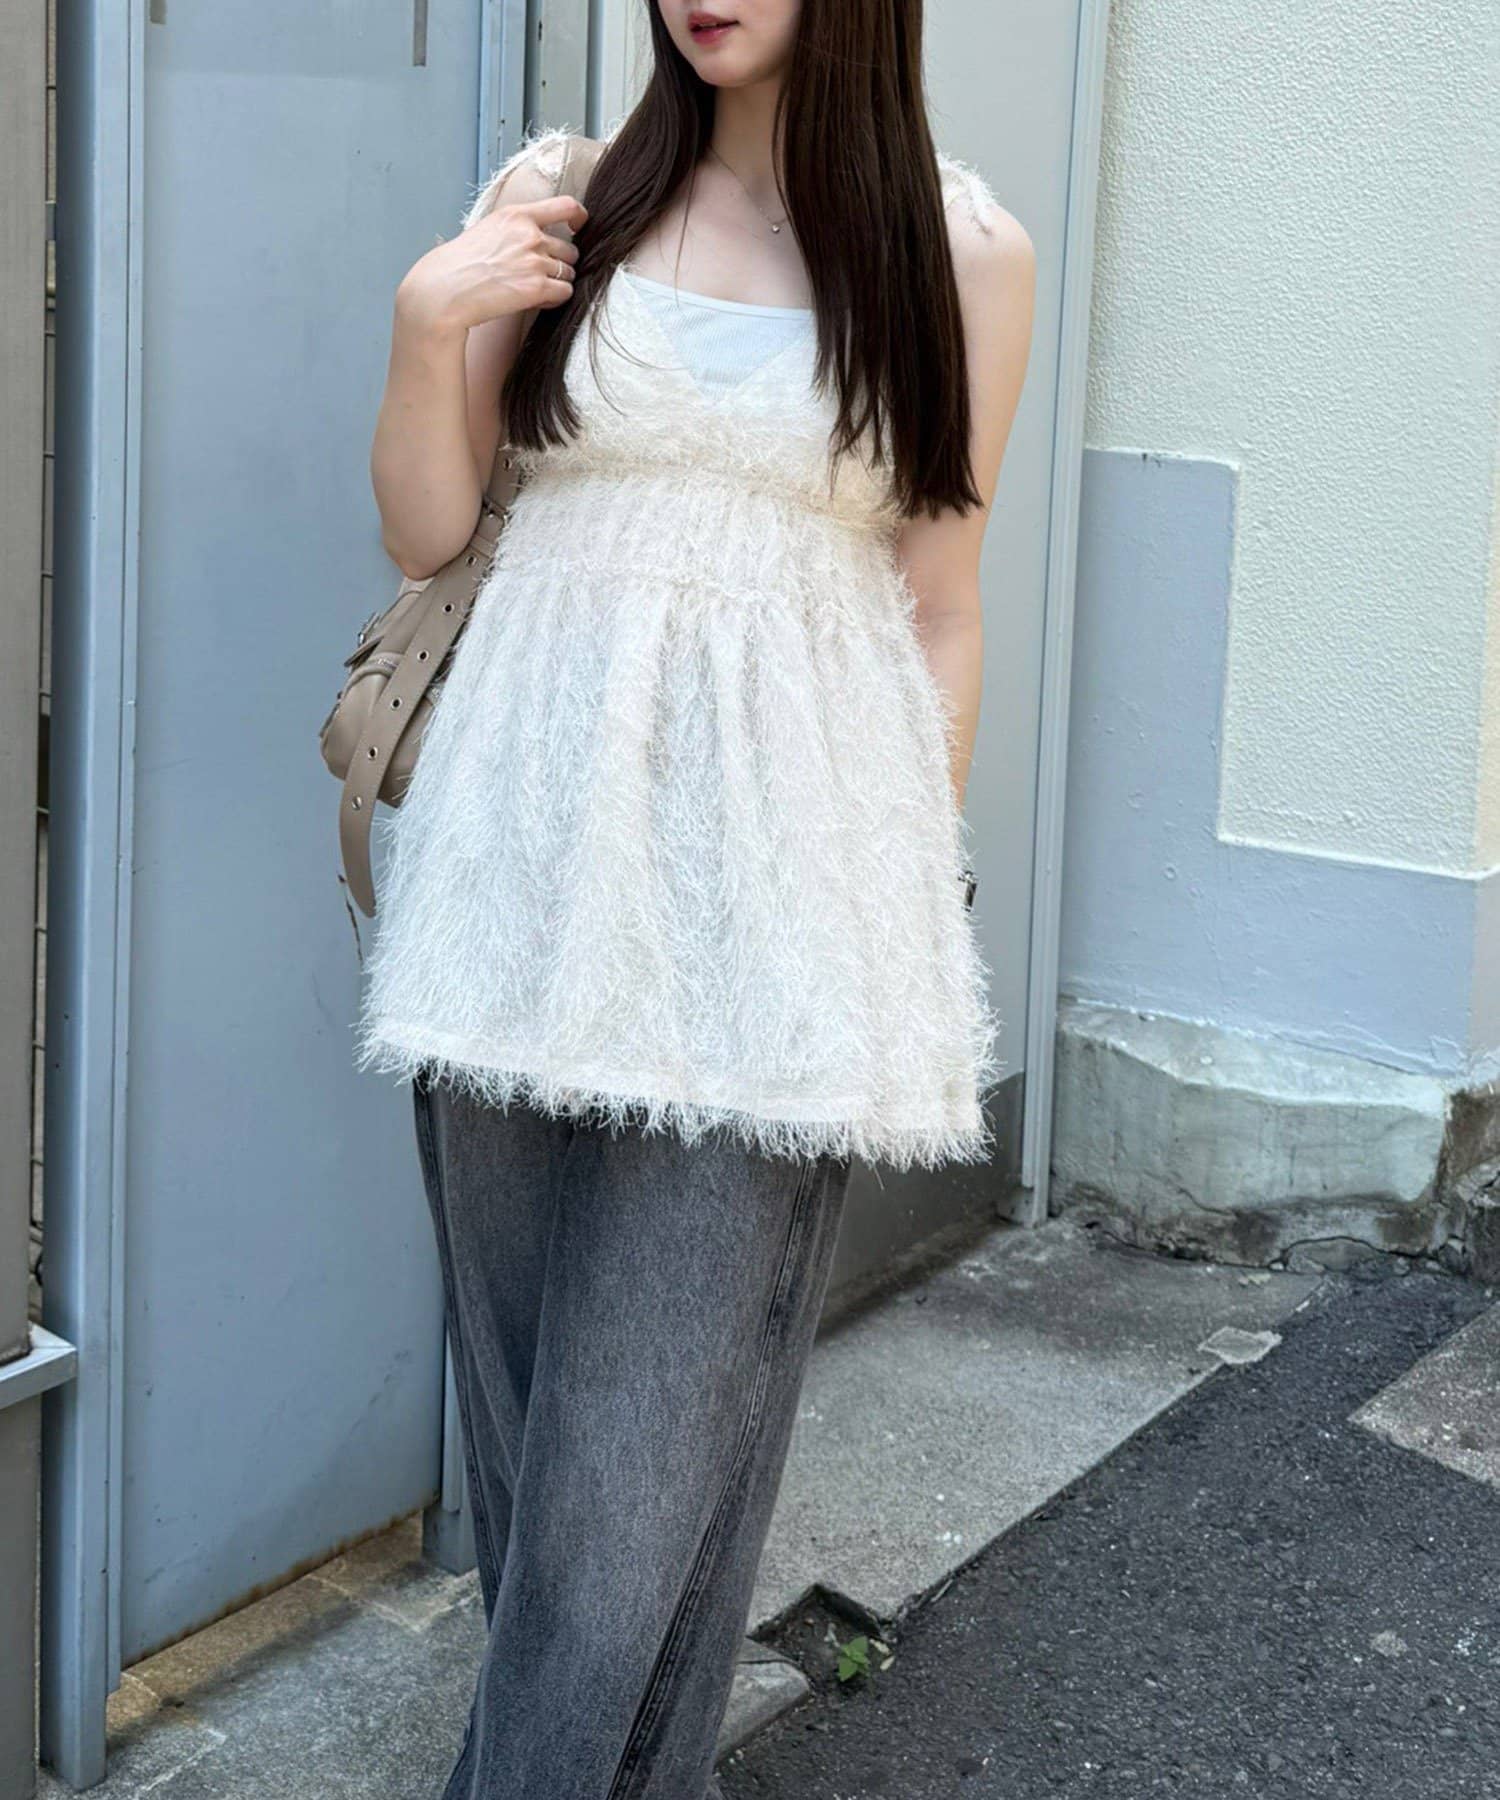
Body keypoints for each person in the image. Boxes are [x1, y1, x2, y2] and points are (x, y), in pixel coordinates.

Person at [357, 1, 1035, 1793]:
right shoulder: (568, 198)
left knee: (625, 1497)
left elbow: (941, 604)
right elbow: (430, 530)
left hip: (772, 920)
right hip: (515, 887)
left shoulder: (962, 253)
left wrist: (903, 894)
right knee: (534, 1477)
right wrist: (429, 325)